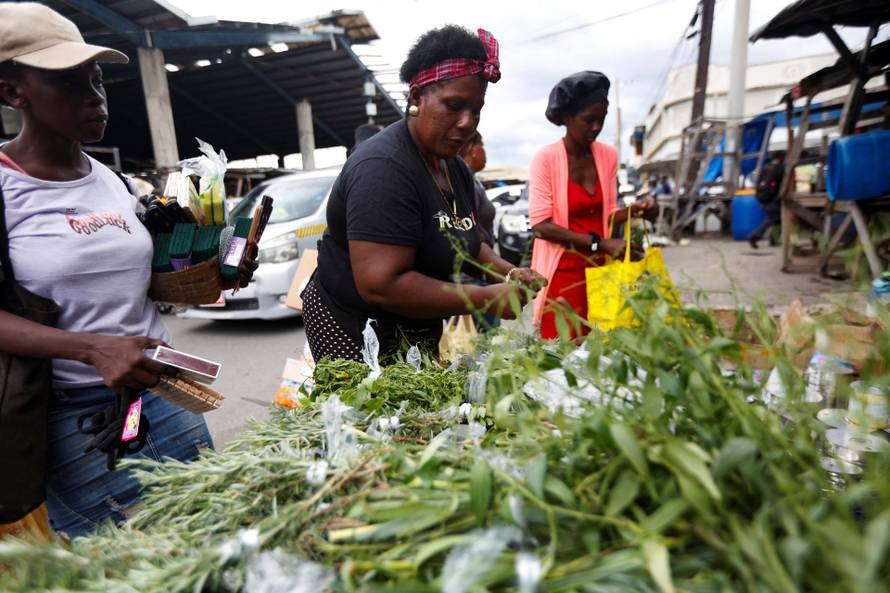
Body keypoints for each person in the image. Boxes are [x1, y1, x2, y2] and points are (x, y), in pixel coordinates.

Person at [0, 3, 257, 538]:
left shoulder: (116, 183)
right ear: (12, 91)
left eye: (96, 80)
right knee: (122, 558)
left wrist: (212, 272)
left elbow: (138, 283)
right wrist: (93, 349)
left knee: (216, 532)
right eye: (69, 82)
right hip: (73, 417)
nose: (94, 97)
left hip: (163, 389)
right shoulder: (6, 188)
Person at [303, 25, 544, 361]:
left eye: (475, 110)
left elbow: (468, 244)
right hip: (355, 327)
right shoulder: (383, 168)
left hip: (414, 325)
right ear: (416, 98)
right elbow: (381, 285)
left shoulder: (453, 167)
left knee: (421, 390)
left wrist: (508, 272)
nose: (467, 122)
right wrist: (485, 298)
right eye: (454, 106)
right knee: (371, 395)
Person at [528, 71, 654, 340]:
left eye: (602, 118)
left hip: (601, 271)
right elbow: (540, 226)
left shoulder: (607, 155)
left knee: (603, 349)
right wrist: (600, 243)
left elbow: (607, 215)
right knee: (562, 351)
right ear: (566, 117)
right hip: (563, 273)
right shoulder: (546, 158)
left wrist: (633, 211)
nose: (596, 127)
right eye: (588, 120)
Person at [458, 132, 496, 246]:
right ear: (472, 148)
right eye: (482, 145)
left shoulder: (473, 179)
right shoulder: (464, 181)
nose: (485, 153)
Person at [748, 151, 785, 249]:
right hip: (772, 197)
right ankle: (754, 236)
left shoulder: (766, 167)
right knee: (773, 218)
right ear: (780, 157)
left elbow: (758, 183)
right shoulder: (780, 168)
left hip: (762, 196)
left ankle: (774, 240)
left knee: (777, 218)